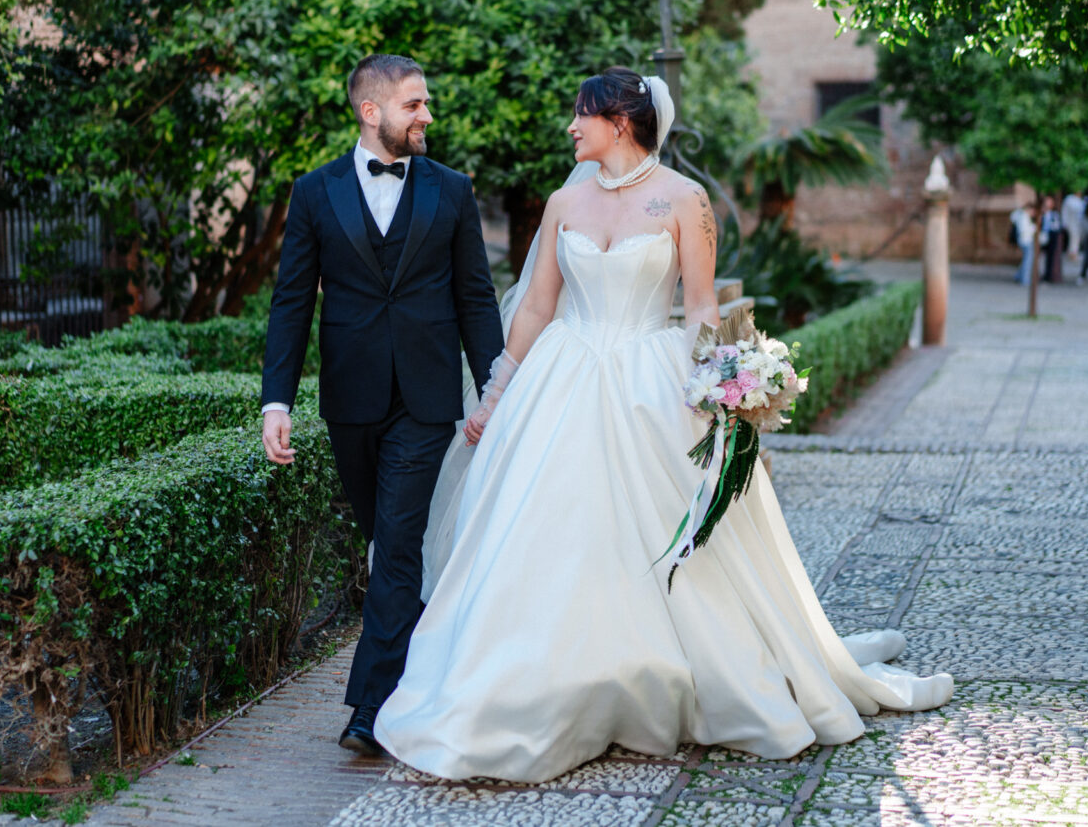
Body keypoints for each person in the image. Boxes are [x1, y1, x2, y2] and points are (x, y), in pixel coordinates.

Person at [373, 68, 953, 783]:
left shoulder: (686, 199)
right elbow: (533, 308)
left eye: (580, 115)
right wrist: (495, 394)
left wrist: (718, 383)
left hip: (650, 382)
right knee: (547, 531)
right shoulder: (563, 202)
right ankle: (534, 683)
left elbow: (701, 306)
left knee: (666, 537)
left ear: (619, 121)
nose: (570, 128)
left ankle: (681, 671)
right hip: (561, 379)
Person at [259, 54, 504, 756]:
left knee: (396, 544)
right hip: (352, 397)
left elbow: (475, 297)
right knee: (385, 543)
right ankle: (428, 659)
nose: (426, 115)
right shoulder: (314, 192)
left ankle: (371, 706)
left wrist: (495, 391)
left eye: (425, 104)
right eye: (414, 105)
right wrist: (276, 399)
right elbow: (292, 303)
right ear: (373, 113)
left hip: (427, 399)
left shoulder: (452, 191)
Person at [1012, 202, 1037, 285]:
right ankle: (1024, 279)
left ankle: (1019, 276)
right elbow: (1024, 230)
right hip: (1025, 240)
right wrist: (1033, 228)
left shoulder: (1022, 216)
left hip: (1025, 240)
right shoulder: (1024, 217)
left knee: (1026, 260)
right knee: (1027, 260)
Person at [1061, 189, 1085, 273]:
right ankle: (1072, 254)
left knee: (1076, 239)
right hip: (1071, 222)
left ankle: (1074, 254)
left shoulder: (1081, 200)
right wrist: (1065, 223)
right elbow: (1065, 212)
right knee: (1073, 238)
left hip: (1078, 223)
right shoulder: (1069, 200)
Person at [1040, 196, 1063, 283]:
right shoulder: (1042, 213)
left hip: (1051, 235)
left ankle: (1048, 275)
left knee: (1050, 257)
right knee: (1041, 257)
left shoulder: (1054, 214)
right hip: (1042, 235)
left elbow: (1057, 226)